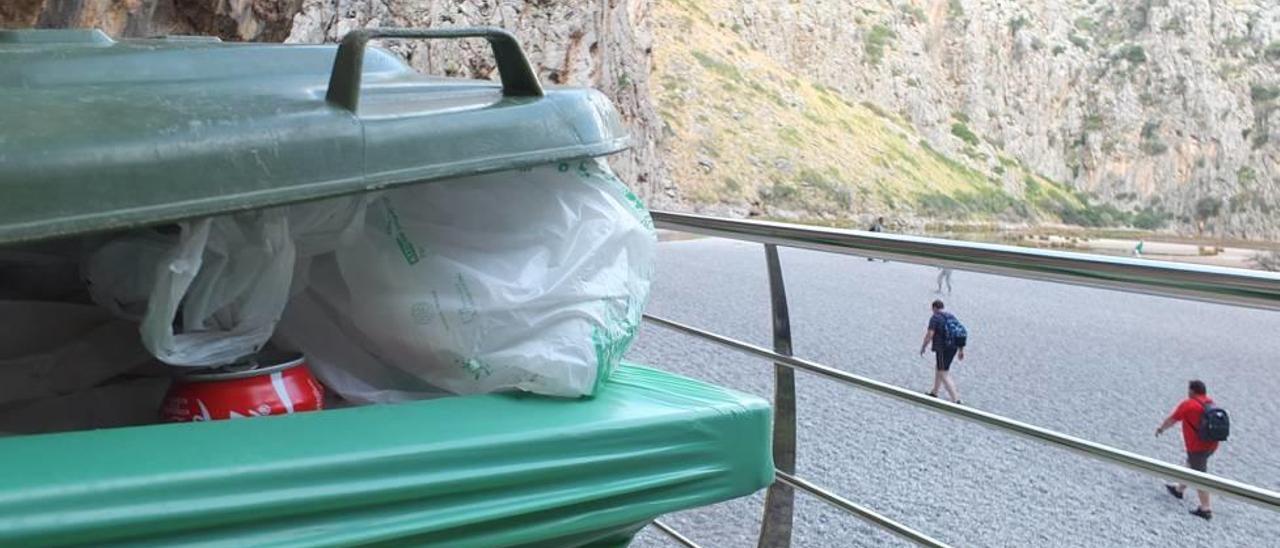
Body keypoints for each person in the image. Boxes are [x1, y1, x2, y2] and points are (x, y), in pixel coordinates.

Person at [1156, 380, 1219, 520]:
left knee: (1199, 476)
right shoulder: (1210, 403)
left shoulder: (1188, 405)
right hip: (1212, 445)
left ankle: (1206, 508)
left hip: (1197, 447)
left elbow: (1172, 419)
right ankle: (1179, 490)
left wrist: (1161, 429)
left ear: (1192, 391)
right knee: (1190, 465)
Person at [919, 299, 962, 403]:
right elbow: (960, 333)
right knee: (939, 367)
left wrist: (924, 346)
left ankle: (956, 399)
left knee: (943, 372)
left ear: (934, 308)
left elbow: (930, 334)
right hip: (954, 347)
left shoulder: (935, 318)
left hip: (942, 348)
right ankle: (935, 391)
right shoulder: (951, 317)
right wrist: (961, 350)